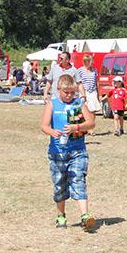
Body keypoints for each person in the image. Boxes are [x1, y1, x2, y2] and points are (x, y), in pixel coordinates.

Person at [40, 74, 97, 231]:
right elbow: (44, 125)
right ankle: (61, 216)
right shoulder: (52, 105)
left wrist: (76, 128)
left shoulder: (78, 104)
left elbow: (91, 122)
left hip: (77, 151)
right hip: (57, 152)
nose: (70, 95)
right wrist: (52, 132)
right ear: (59, 90)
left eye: (72, 92)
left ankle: (85, 216)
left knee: (78, 180)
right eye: (66, 92)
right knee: (60, 185)